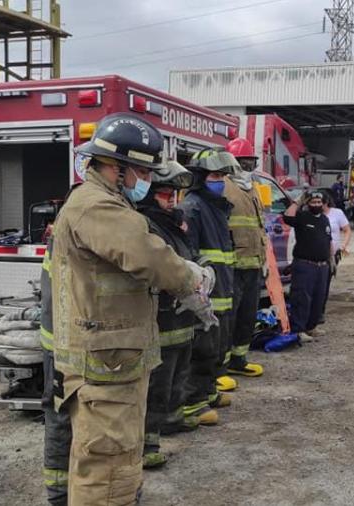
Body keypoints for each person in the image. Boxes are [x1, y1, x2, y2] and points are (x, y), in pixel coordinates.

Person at [50, 113, 214, 504]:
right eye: (141, 170)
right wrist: (191, 279)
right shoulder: (97, 207)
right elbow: (147, 254)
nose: (147, 180)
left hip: (112, 359)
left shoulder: (102, 201)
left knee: (115, 461)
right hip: (105, 365)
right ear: (116, 167)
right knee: (108, 468)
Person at [137, 161, 201, 469]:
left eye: (175, 194)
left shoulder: (175, 222)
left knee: (179, 371)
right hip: (160, 316)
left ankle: (174, 417)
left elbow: (186, 255)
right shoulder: (146, 224)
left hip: (182, 314)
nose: (172, 200)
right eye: (165, 194)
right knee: (156, 383)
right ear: (150, 196)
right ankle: (147, 442)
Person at [178, 148, 239, 424]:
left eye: (223, 175)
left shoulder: (216, 206)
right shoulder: (193, 207)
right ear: (200, 178)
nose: (221, 181)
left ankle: (208, 391)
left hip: (223, 290)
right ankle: (193, 403)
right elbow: (190, 255)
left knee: (216, 348)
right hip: (206, 293)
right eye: (215, 175)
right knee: (201, 351)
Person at [40, 181, 82, 506]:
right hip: (62, 344)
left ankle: (67, 490)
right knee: (61, 416)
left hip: (63, 340)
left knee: (66, 416)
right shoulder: (69, 236)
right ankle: (58, 493)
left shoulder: (63, 232)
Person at [224, 138, 267, 378]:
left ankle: (239, 358)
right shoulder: (224, 187)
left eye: (251, 162)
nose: (248, 167)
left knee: (247, 316)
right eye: (244, 162)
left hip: (254, 265)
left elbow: (259, 227)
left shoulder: (252, 189)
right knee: (228, 318)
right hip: (233, 266)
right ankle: (220, 365)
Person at [282, 191, 332, 343]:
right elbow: (287, 216)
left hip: (322, 266)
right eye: (313, 202)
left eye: (319, 203)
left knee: (318, 298)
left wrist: (331, 261)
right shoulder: (302, 217)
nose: (316, 205)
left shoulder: (324, 219)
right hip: (305, 265)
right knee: (301, 298)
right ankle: (298, 329)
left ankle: (311, 327)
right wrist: (298, 201)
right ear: (308, 204)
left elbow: (328, 240)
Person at [322, 193, 351, 316]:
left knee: (325, 282)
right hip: (314, 254)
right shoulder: (312, 215)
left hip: (332, 255)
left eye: (321, 202)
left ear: (326, 202)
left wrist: (343, 245)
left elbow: (347, 230)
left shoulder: (337, 213)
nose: (318, 205)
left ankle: (320, 310)